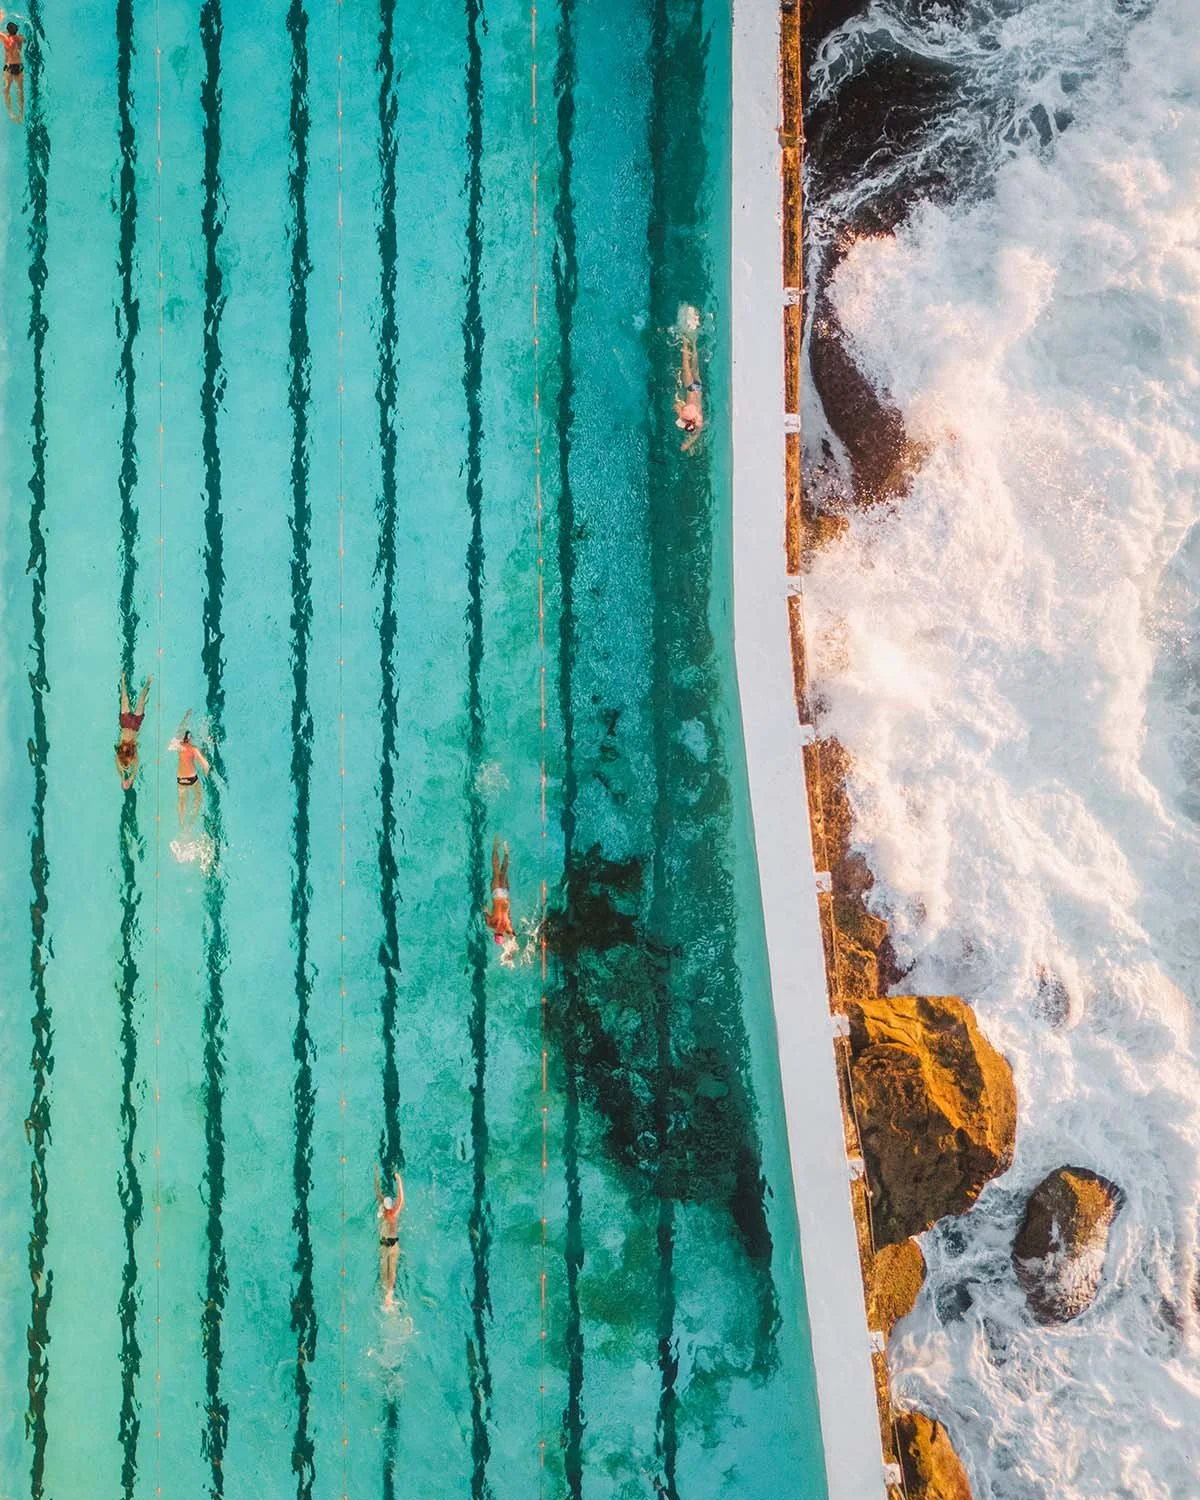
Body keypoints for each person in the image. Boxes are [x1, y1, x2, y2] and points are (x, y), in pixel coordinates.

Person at [115, 673, 152, 790]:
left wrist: (122, 779)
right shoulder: (133, 757)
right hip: (135, 725)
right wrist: (129, 780)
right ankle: (149, 681)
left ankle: (123, 678)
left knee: (124, 698)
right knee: (141, 699)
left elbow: (119, 769)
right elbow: (135, 771)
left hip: (125, 723)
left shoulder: (119, 757)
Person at [375, 1166, 404, 1311]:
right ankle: (389, 1296)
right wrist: (398, 1180)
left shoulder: (387, 1211)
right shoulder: (391, 1212)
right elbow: (400, 1199)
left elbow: (378, 1193)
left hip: (386, 1244)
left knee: (386, 1271)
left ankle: (387, 1296)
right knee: (388, 1270)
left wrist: (376, 1175)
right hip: (390, 1244)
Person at [674, 326, 704, 453]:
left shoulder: (699, 420)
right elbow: (676, 405)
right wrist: (679, 411)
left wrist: (688, 443)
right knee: (685, 365)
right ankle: (685, 340)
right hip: (691, 389)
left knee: (695, 368)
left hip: (698, 388)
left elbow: (697, 434)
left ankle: (694, 343)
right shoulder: (686, 415)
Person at [175, 726, 209, 828]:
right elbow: (206, 765)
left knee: (182, 801)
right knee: (198, 797)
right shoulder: (193, 749)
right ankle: (191, 823)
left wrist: (186, 717)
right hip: (192, 779)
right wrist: (206, 775)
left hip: (181, 779)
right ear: (190, 739)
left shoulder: (179, 746)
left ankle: (181, 823)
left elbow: (179, 729)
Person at [484, 838, 515, 948]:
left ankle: (506, 852)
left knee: (504, 871)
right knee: (496, 870)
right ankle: (495, 847)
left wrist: (510, 951)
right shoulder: (491, 924)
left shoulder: (507, 928)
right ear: (494, 934)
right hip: (497, 895)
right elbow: (485, 909)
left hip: (505, 896)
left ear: (502, 935)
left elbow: (513, 936)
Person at [2, 19, 24, 125]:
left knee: (6, 91)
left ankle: (11, 113)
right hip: (19, 67)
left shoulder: (6, 38)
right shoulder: (20, 38)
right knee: (20, 90)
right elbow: (26, 40)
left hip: (10, 67)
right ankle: (21, 113)